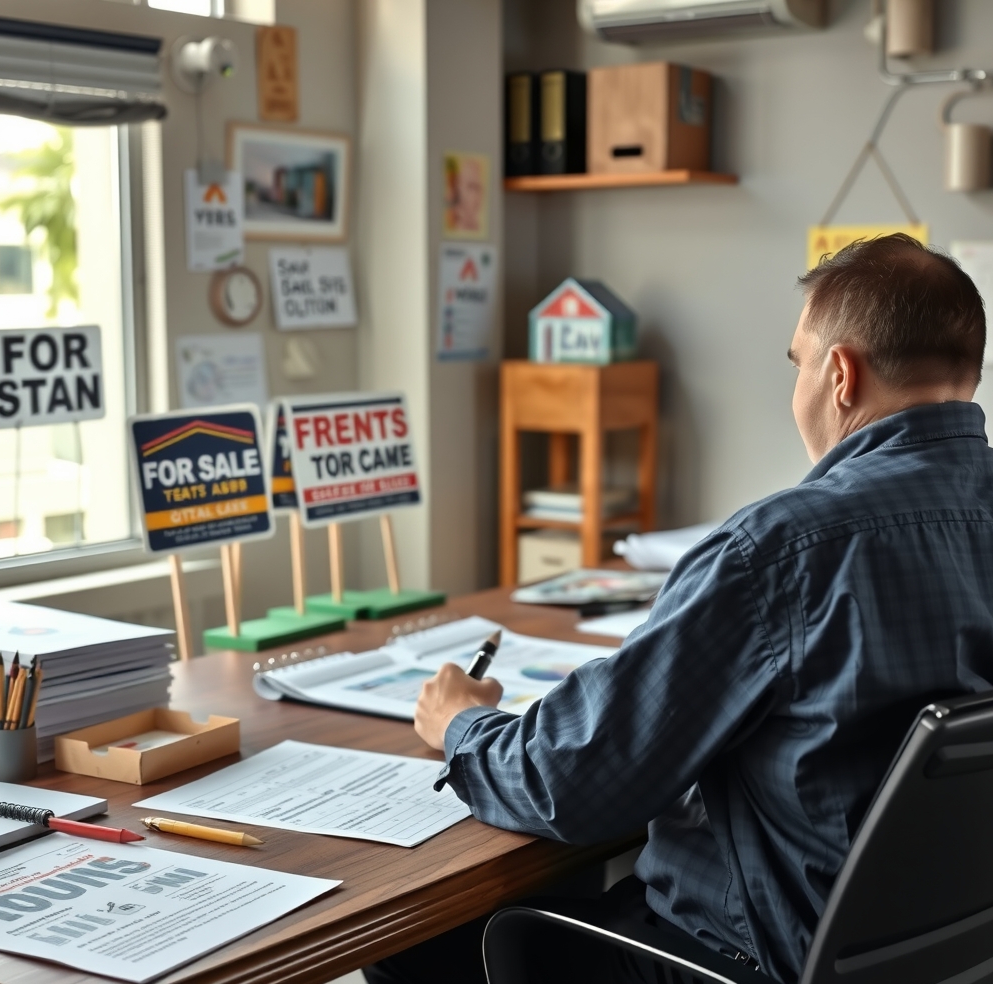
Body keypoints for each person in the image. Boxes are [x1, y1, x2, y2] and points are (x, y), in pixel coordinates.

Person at [365, 234, 993, 984]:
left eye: (796, 364)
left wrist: (462, 724)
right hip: (936, 958)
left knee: (410, 940)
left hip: (737, 962)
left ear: (840, 375)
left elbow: (572, 781)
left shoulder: (779, 552)